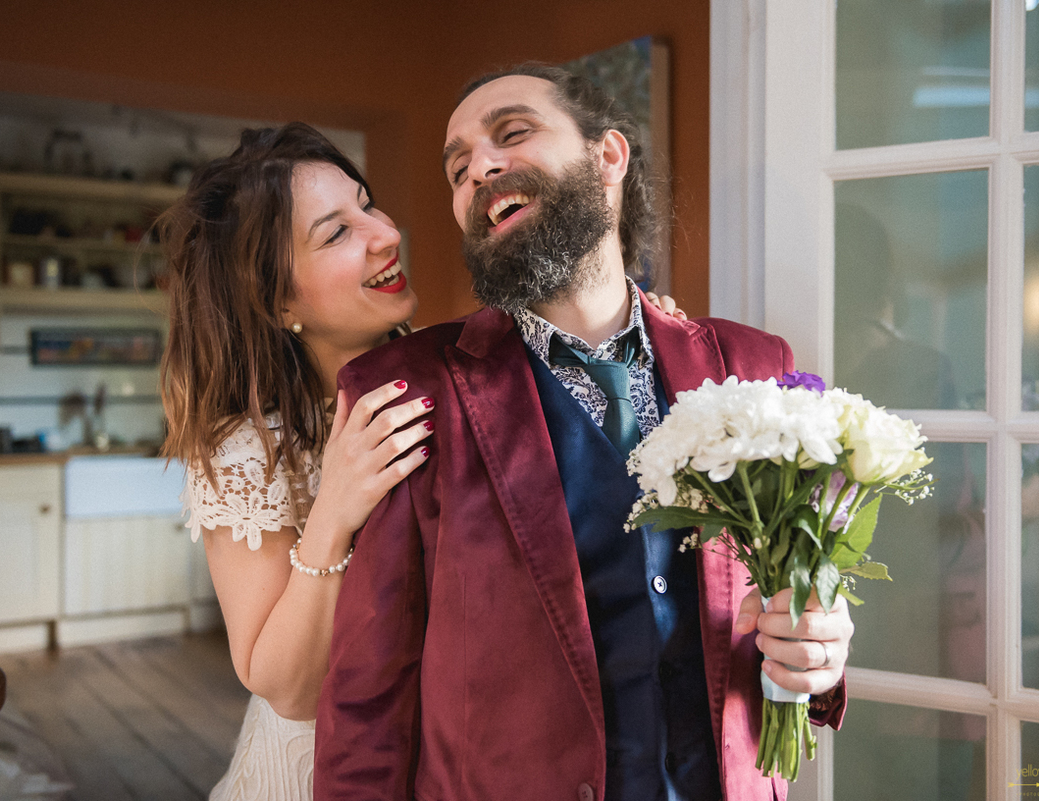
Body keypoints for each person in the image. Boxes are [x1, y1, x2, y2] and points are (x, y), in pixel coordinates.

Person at [314, 65, 854, 801]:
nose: (480, 168)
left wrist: (816, 658)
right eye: (458, 167)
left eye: (511, 133)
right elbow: (367, 704)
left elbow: (787, 618)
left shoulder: (754, 366)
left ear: (608, 159)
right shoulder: (410, 391)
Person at [157, 122, 688, 801]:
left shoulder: (454, 377)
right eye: (337, 233)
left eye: (366, 203)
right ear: (278, 300)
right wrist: (336, 507)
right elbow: (284, 686)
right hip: (319, 772)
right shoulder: (245, 449)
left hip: (456, 758)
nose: (385, 232)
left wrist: (627, 336)